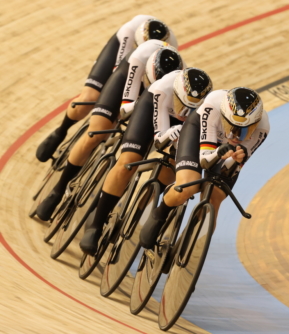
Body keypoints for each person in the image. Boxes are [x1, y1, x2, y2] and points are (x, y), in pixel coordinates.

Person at [35, 44, 184, 221]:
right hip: (129, 83)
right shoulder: (138, 61)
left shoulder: (178, 82)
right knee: (97, 132)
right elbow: (124, 111)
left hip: (162, 102)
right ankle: (58, 190)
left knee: (133, 162)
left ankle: (108, 208)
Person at [79, 67, 213, 255]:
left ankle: (139, 214)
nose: (183, 111)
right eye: (182, 104)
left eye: (190, 107)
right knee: (128, 161)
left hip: (183, 125)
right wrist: (168, 134)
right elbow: (159, 138)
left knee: (174, 168)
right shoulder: (162, 88)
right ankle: (96, 224)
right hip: (153, 110)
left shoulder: (205, 108)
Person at [139, 87, 270, 249]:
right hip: (199, 133)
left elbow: (229, 170)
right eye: (232, 127)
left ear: (255, 124)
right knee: (188, 187)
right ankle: (160, 213)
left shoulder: (262, 128)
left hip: (225, 151)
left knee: (214, 201)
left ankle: (186, 250)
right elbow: (204, 161)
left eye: (244, 131)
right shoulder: (213, 105)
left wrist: (236, 158)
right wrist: (218, 153)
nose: (235, 135)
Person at [36, 16, 178, 162]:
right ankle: (61, 131)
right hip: (126, 64)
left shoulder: (171, 54)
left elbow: (156, 89)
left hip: (149, 73)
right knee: (89, 98)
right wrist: (111, 103)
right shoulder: (130, 32)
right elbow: (117, 70)